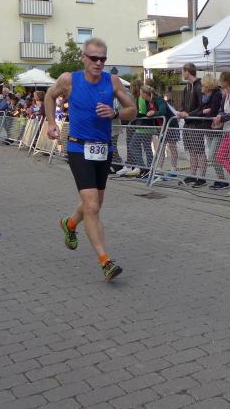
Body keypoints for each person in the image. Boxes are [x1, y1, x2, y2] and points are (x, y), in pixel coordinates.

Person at [45, 37, 136, 281]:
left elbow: (132, 110)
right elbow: (49, 96)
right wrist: (51, 123)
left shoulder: (112, 81)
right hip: (78, 148)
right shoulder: (69, 80)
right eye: (94, 58)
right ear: (83, 57)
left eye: (103, 59)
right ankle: (105, 262)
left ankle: (70, 224)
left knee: (95, 203)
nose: (98, 63)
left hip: (103, 149)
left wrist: (115, 112)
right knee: (92, 206)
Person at [177, 63, 206, 185]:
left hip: (197, 123)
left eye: (183, 71)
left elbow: (202, 106)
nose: (182, 74)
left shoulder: (199, 86)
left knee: (199, 150)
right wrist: (181, 112)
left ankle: (202, 178)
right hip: (188, 123)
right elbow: (183, 104)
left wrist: (189, 114)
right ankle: (193, 175)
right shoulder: (187, 87)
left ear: (187, 72)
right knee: (191, 150)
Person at [198, 74, 226, 189]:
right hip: (208, 128)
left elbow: (213, 111)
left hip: (216, 129)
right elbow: (200, 110)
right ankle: (221, 179)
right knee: (213, 155)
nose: (201, 87)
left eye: (203, 85)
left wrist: (205, 113)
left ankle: (222, 180)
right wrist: (203, 112)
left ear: (208, 86)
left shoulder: (217, 95)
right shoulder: (204, 96)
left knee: (212, 155)